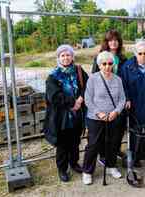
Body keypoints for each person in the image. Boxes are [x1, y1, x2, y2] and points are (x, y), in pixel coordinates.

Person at [44, 44, 89, 182]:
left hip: (77, 115)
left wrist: (80, 99)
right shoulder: (53, 76)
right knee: (63, 145)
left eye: (68, 55)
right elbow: (54, 97)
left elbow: (87, 86)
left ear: (72, 56)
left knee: (75, 142)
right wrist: (72, 103)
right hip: (61, 117)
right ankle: (62, 169)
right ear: (58, 58)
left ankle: (74, 163)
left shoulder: (79, 71)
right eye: (62, 55)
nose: (65, 58)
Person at [82, 51, 126, 185]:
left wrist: (116, 112)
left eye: (110, 63)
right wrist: (98, 113)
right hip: (95, 118)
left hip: (113, 117)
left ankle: (111, 166)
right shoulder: (93, 79)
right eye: (104, 64)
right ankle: (87, 172)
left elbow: (122, 99)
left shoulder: (118, 79)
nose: (107, 66)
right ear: (99, 65)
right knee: (93, 145)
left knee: (112, 144)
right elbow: (88, 99)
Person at [91, 29, 127, 166]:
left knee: (118, 129)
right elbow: (94, 77)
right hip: (103, 99)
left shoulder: (123, 59)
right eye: (111, 40)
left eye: (116, 40)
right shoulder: (99, 57)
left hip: (119, 99)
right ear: (106, 42)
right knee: (103, 130)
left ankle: (115, 150)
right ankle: (103, 155)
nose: (114, 42)